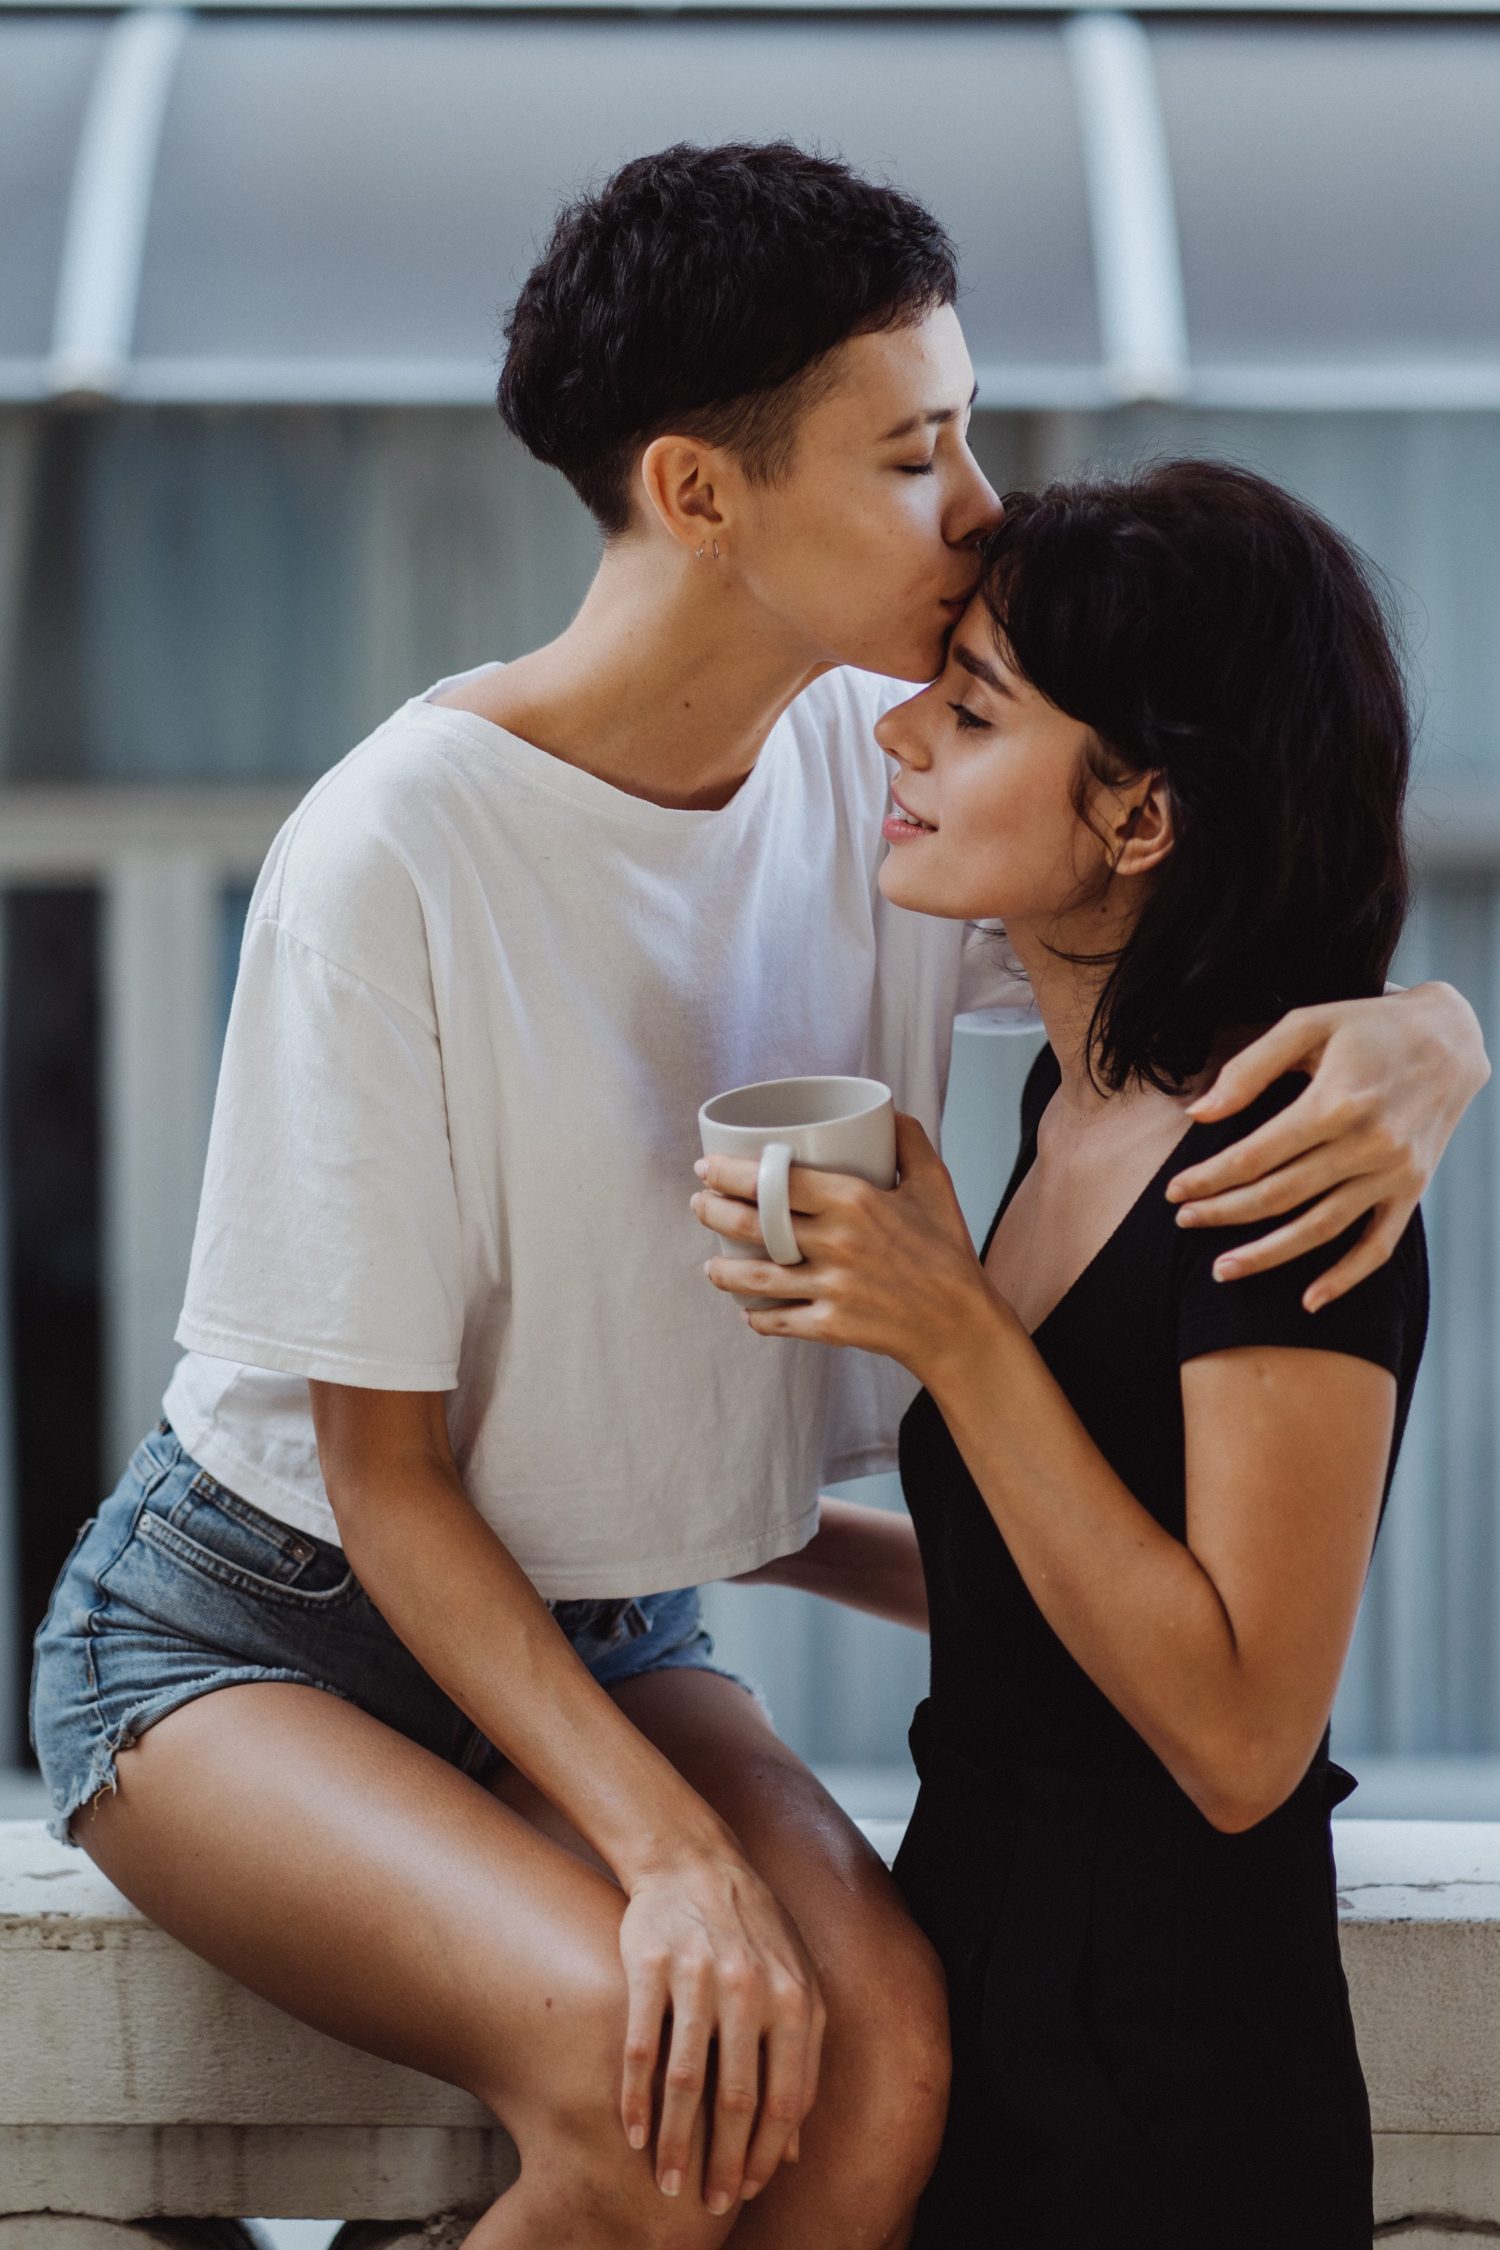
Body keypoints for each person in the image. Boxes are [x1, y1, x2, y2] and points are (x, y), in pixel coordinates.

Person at [30, 146, 1483, 2250]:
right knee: (654, 2095)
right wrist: (677, 1857)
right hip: (264, 1621)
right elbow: (383, 1478)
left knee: (874, 2077)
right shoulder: (394, 855)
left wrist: (1432, 1028)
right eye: (914, 453)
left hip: (615, 1627)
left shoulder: (881, 778)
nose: (979, 506)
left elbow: (1191, 905)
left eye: (966, 431)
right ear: (700, 493)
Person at [693, 457, 1438, 2246]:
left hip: (1173, 2075)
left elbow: (1241, 1730)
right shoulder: (1070, 1090)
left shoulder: (1279, 1168)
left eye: (971, 712)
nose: (899, 739)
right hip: (978, 1970)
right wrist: (746, 1527)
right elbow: (1060, 1600)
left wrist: (950, 1324)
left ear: (1142, 815)